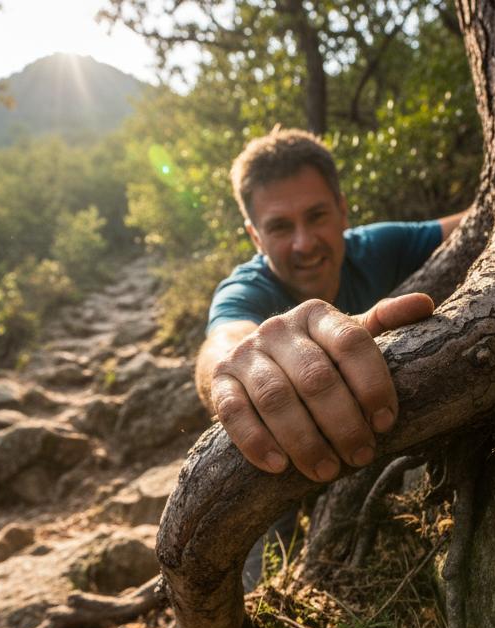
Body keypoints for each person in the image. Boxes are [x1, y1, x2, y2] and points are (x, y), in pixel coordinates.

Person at [196, 128, 467, 483]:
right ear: (255, 237)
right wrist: (237, 367)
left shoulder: (378, 246)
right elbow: (222, 344)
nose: (304, 243)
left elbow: (482, 218)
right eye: (280, 227)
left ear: (342, 210)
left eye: (317, 216)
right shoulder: (244, 289)